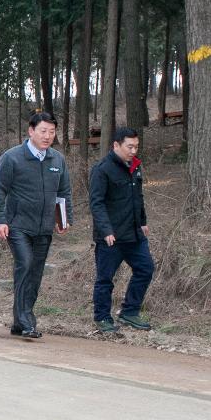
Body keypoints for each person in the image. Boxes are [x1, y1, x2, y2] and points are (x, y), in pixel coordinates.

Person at [0, 111, 72, 339]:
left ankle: (19, 321)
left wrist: (63, 219)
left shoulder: (57, 159)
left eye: (52, 132)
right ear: (31, 131)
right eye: (43, 131)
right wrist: (0, 221)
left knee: (34, 273)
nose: (48, 136)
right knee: (24, 264)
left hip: (44, 227)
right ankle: (27, 321)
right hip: (18, 225)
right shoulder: (12, 157)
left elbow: (63, 192)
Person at [89, 126, 154, 333]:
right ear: (116, 145)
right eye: (129, 146)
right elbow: (96, 203)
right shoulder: (102, 169)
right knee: (105, 279)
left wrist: (142, 221)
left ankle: (130, 312)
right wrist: (106, 230)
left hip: (134, 234)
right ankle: (102, 318)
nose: (133, 151)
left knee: (145, 269)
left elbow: (139, 197)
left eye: (136, 146)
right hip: (111, 237)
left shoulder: (135, 166)